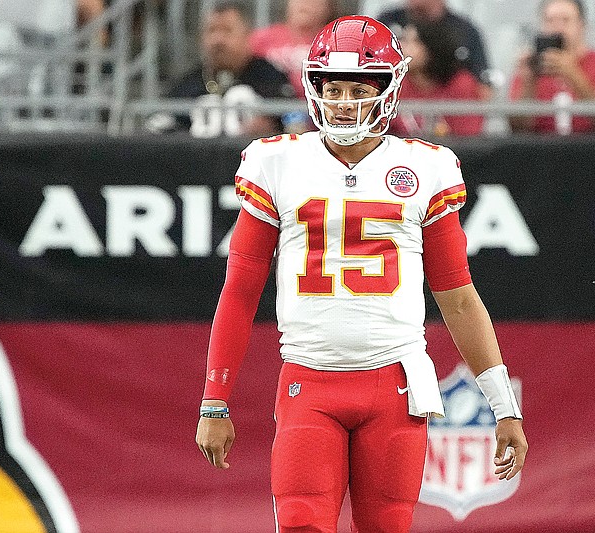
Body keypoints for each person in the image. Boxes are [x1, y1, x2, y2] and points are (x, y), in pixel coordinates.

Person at [195, 15, 528, 533]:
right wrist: (215, 402)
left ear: (389, 89)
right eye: (333, 88)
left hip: (393, 382)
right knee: (303, 524)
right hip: (310, 378)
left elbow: (458, 297)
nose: (344, 102)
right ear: (313, 88)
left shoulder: (426, 168)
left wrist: (504, 406)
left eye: (357, 89)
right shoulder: (279, 163)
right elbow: (239, 291)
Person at [148, 1, 293, 138]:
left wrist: (271, 130)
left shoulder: (270, 76)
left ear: (247, 36)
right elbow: (158, 128)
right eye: (212, 31)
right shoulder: (187, 83)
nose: (218, 40)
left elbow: (296, 124)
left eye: (227, 30)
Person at [509, 0, 595, 134]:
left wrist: (573, 74)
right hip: (541, 149)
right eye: (550, 21)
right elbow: (518, 128)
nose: (557, 28)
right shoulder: (532, 67)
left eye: (565, 20)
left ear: (582, 26)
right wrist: (528, 84)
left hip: (593, 148)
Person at [377, 0, 495, 100]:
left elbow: (484, 88)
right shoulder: (387, 21)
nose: (403, 47)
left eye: (413, 41)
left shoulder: (465, 31)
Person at [391, 20, 486, 137]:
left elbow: (468, 138)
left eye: (412, 42)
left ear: (432, 47)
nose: (401, 47)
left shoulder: (461, 84)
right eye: (403, 40)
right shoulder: (396, 81)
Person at [249, 0, 340, 98]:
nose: (304, 3)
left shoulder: (336, 43)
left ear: (328, 6)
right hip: (269, 105)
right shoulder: (263, 38)